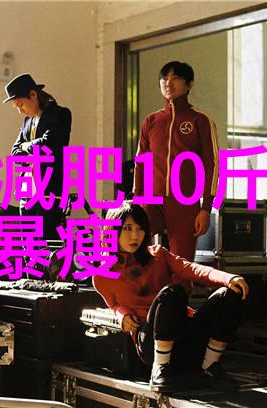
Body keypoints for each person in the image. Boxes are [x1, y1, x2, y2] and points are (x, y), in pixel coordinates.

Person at [93, 202, 248, 391]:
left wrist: (227, 278)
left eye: (140, 229)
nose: (135, 236)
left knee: (230, 293)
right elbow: (114, 305)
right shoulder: (102, 276)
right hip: (151, 344)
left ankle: (209, 365)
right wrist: (122, 314)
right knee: (173, 292)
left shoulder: (158, 255)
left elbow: (191, 268)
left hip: (183, 338)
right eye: (127, 228)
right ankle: (160, 370)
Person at [133, 61, 219, 293]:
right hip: (150, 200)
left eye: (175, 78)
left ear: (189, 84)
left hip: (184, 202)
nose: (168, 83)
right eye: (164, 78)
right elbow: (141, 162)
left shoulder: (200, 120)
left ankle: (178, 310)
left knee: (182, 266)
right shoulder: (151, 121)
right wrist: (137, 199)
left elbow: (212, 165)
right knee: (135, 250)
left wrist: (205, 208)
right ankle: (140, 304)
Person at [4, 73, 72, 240]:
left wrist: (25, 146)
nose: (20, 111)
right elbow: (14, 153)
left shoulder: (60, 114)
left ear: (33, 95)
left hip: (49, 190)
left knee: (49, 243)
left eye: (20, 104)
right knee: (28, 244)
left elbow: (49, 145)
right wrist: (33, 149)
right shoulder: (27, 121)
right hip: (26, 191)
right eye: (16, 107)